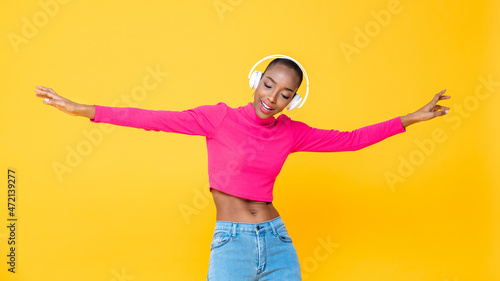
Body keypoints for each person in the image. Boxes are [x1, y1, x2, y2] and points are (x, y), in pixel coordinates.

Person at [35, 56, 450, 280]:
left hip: (277, 243)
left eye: (286, 93)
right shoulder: (216, 118)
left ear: (294, 100)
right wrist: (81, 109)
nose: (273, 97)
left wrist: (411, 118)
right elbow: (150, 116)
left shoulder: (292, 133)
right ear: (256, 80)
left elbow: (351, 140)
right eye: (269, 84)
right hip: (231, 244)